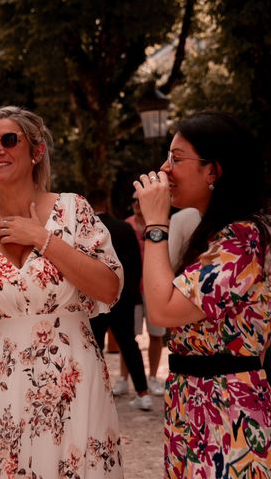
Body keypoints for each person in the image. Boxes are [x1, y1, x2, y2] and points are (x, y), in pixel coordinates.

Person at [0, 106, 124, 477]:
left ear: (36, 151)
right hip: (0, 375)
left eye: (8, 140)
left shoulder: (73, 210)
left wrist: (43, 240)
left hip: (71, 373)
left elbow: (109, 287)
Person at [134, 111, 271, 477]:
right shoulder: (219, 234)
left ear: (213, 171)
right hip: (196, 404)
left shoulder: (242, 238)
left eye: (177, 159)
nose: (164, 169)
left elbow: (162, 311)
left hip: (228, 410)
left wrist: (157, 224)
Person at [87, 189, 152, 411]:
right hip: (123, 299)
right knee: (129, 345)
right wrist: (132, 295)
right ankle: (143, 393)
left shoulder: (87, 230)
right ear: (106, 201)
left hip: (94, 299)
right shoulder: (125, 227)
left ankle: (94, 394)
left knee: (93, 347)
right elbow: (135, 265)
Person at [120, 190, 165, 396]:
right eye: (134, 200)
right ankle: (123, 378)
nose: (137, 203)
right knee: (129, 336)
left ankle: (153, 377)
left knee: (156, 335)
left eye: (140, 200)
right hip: (132, 290)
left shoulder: (159, 225)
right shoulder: (126, 225)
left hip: (155, 289)